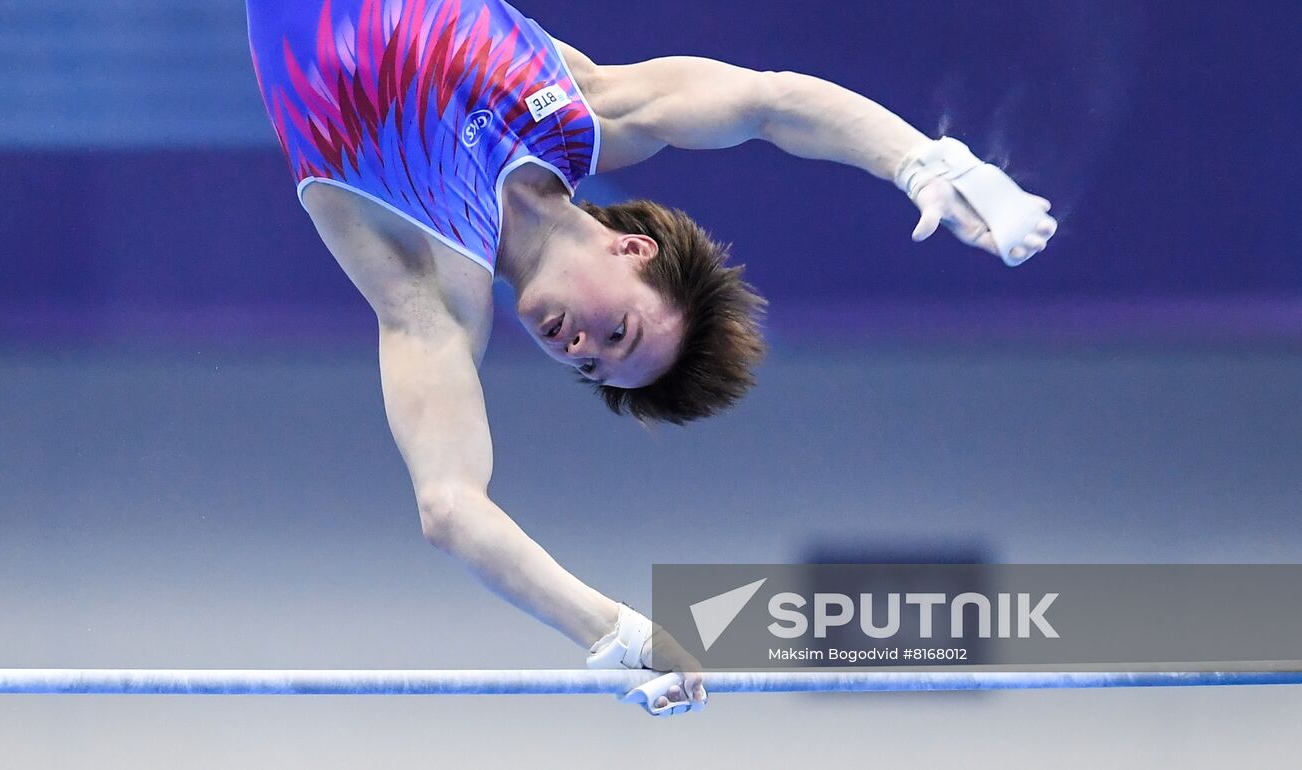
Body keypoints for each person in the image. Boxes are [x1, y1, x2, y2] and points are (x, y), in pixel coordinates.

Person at [245, 0, 1058, 716]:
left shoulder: (429, 299)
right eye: (618, 335)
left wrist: (614, 632)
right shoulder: (580, 111)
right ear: (635, 248)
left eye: (591, 368)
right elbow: (769, 102)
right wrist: (928, 162)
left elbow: (452, 506)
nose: (578, 349)